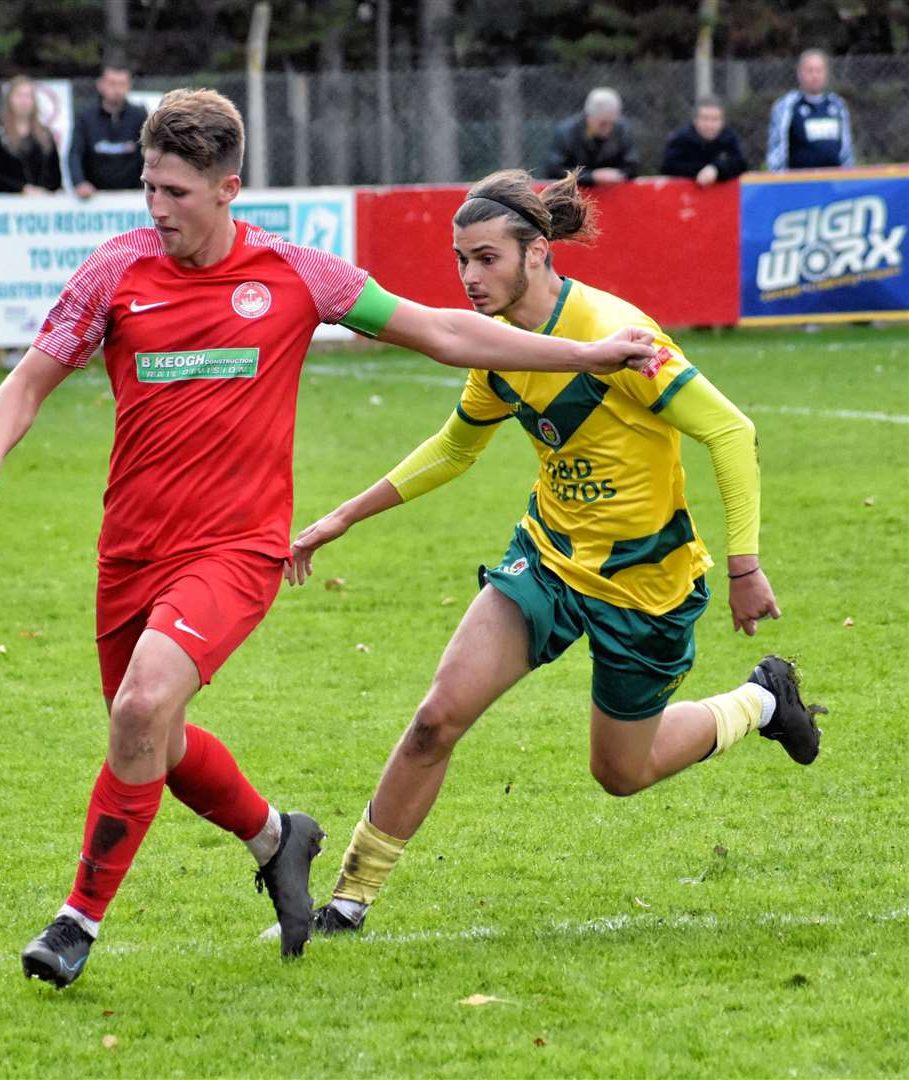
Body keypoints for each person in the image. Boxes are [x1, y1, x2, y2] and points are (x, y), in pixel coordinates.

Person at [0, 92, 658, 990]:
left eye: (173, 190)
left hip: (236, 550)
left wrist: (585, 354)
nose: (155, 206)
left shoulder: (296, 272)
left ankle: (74, 923)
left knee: (139, 712)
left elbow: (441, 331)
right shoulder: (115, 271)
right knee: (153, 747)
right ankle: (279, 838)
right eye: (148, 186)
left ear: (227, 188)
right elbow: (29, 382)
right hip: (130, 551)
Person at [286, 168, 827, 938]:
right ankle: (348, 901)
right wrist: (341, 517)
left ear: (537, 252)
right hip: (546, 560)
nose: (470, 278)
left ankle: (762, 701)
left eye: (486, 259)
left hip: (645, 581)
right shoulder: (498, 349)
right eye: (460, 260)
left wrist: (745, 568)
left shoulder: (620, 335)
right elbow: (454, 448)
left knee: (621, 773)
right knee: (438, 718)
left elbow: (731, 431)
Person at [767, 49, 855, 171]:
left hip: (833, 181)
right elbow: (777, 149)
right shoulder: (786, 106)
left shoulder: (838, 105)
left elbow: (846, 148)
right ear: (800, 73)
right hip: (800, 183)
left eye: (819, 71)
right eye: (810, 71)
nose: (815, 75)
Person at [68, 66, 148, 198]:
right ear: (100, 85)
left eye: (122, 84)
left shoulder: (139, 116)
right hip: (94, 197)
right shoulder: (86, 117)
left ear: (129, 86)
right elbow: (75, 153)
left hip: (133, 196)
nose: (117, 89)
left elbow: (148, 154)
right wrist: (79, 183)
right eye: (112, 84)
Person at [0, 75, 63, 195]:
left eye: (28, 96)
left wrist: (43, 192)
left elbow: (55, 176)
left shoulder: (45, 135)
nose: (24, 101)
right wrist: (22, 189)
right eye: (19, 96)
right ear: (9, 99)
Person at [545, 87, 639, 187]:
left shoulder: (622, 129)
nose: (608, 128)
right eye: (603, 123)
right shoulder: (566, 132)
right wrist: (591, 177)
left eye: (612, 122)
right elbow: (554, 170)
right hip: (574, 195)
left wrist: (617, 175)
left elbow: (632, 166)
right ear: (589, 116)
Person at [660, 98, 748, 186]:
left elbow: (740, 164)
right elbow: (668, 167)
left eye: (715, 119)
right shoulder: (681, 140)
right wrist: (701, 171)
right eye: (704, 118)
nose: (709, 125)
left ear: (722, 122)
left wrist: (716, 170)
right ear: (695, 120)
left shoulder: (728, 138)